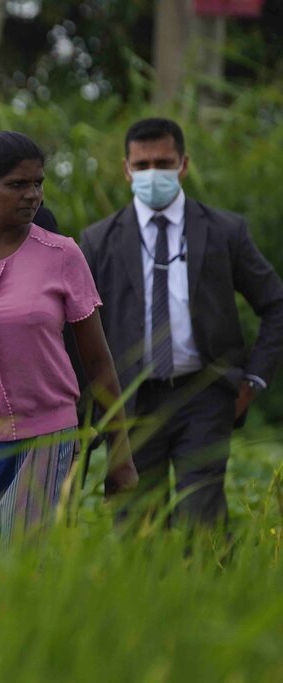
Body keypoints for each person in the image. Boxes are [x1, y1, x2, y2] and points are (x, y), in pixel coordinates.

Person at [80, 117, 283, 529]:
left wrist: (253, 381)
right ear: (126, 170)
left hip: (205, 393)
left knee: (202, 518)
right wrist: (90, 407)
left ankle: (207, 570)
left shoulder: (225, 230)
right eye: (142, 165)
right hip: (132, 402)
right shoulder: (99, 240)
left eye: (163, 163)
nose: (152, 173)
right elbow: (79, 326)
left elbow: (275, 304)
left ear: (184, 164)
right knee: (136, 523)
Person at [0, 131, 137, 542]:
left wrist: (121, 453)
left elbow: (98, 361)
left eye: (37, 183)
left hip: (45, 438)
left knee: (24, 561)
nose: (32, 195)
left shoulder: (62, 255)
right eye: (17, 184)